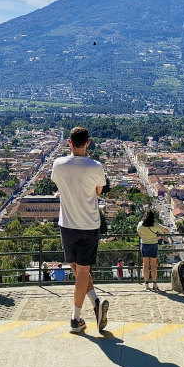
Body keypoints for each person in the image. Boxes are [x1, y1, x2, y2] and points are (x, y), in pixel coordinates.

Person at [51, 126, 109, 334]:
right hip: (89, 224)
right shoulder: (96, 166)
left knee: (77, 270)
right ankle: (81, 314)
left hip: (67, 224)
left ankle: (89, 309)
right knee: (83, 271)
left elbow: (58, 184)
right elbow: (98, 191)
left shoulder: (58, 164)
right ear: (88, 143)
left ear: (69, 142)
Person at [136, 208, 169, 291]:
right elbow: (166, 230)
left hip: (144, 244)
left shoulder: (140, 224)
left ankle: (146, 283)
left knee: (145, 265)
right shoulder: (155, 225)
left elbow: (139, 234)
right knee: (154, 265)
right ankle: (154, 283)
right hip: (153, 244)